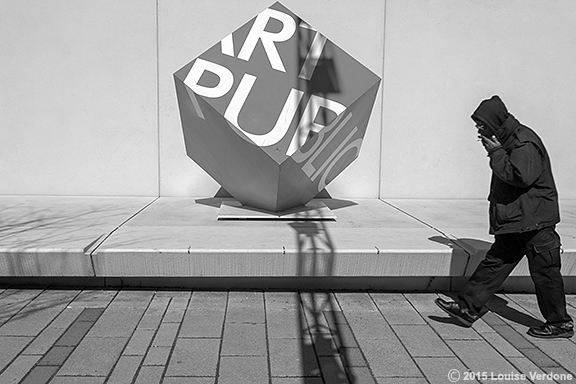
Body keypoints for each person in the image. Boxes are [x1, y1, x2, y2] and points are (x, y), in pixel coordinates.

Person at [435, 95, 573, 339]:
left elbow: (520, 176)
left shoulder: (523, 142)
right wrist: (498, 150)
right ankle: (467, 308)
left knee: (546, 273)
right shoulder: (509, 140)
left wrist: (496, 152)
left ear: (495, 123)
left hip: (535, 222)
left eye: (482, 125)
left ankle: (560, 323)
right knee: (494, 264)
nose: (479, 130)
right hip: (518, 221)